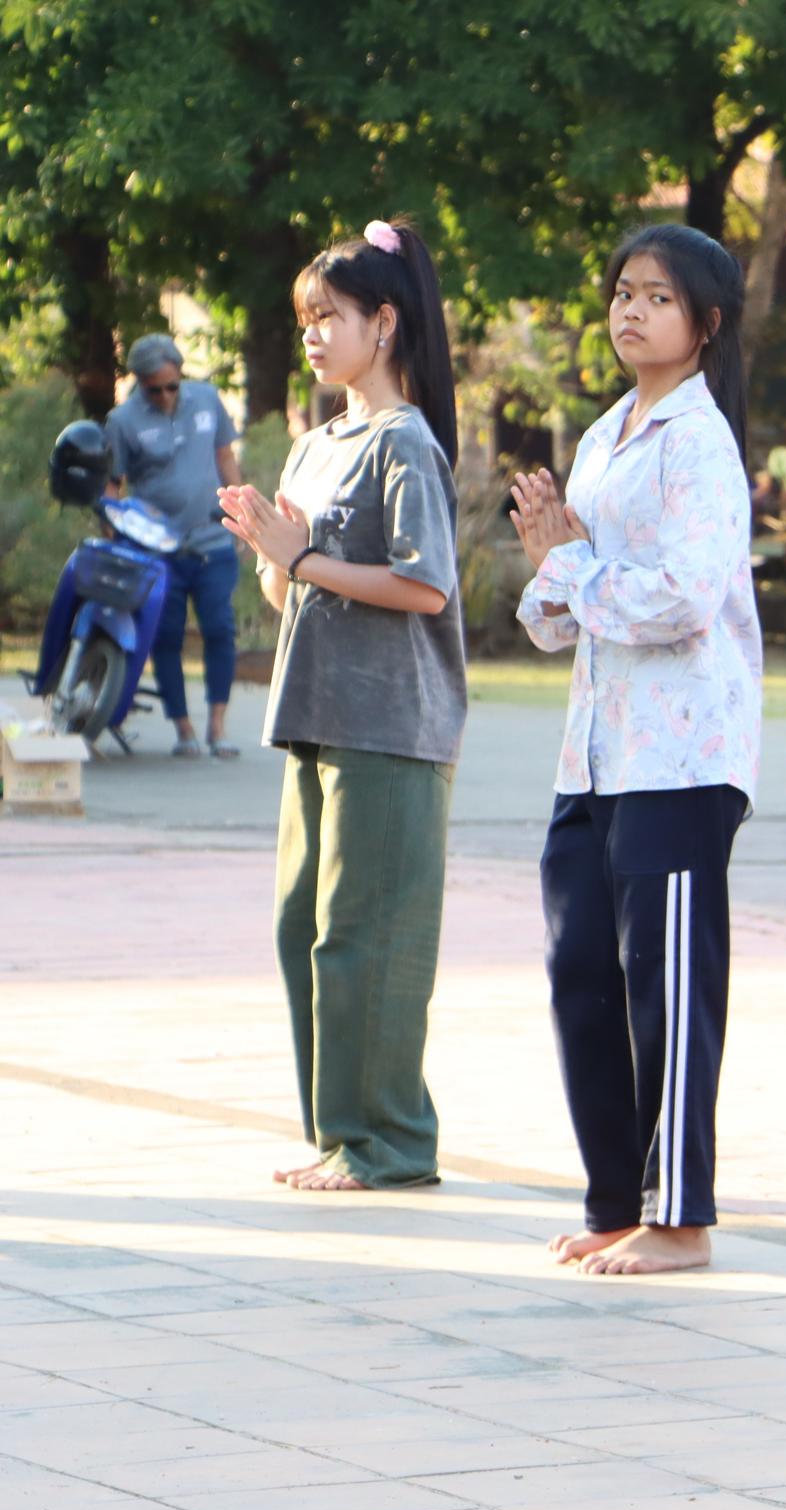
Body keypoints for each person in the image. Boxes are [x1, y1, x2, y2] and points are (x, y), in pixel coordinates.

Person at [511, 224, 763, 1277]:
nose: (630, 311)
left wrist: (571, 572)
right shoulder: (608, 434)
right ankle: (617, 1201)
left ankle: (681, 1218)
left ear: (704, 325)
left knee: (667, 984)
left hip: (682, 754)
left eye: (657, 298)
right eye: (621, 292)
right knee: (581, 972)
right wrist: (556, 574)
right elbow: (550, 615)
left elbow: (685, 599)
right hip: (597, 754)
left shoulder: (701, 442)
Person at [213, 218, 464, 1192]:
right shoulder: (317, 444)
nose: (314, 335)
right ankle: (338, 1132)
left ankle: (389, 1141)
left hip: (393, 725)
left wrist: (304, 556)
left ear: (386, 324)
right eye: (306, 319)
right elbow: (291, 593)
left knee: (370, 934)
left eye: (332, 318)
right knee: (303, 928)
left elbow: (426, 587)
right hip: (313, 712)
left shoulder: (407, 444)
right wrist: (276, 554)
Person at [107, 333, 242, 758]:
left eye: (171, 385)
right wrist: (118, 537)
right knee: (166, 637)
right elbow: (113, 485)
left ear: (180, 376)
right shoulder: (123, 419)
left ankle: (217, 727)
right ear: (140, 383)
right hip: (158, 549)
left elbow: (225, 459)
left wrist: (245, 515)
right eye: (154, 388)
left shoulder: (206, 399)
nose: (165, 395)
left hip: (213, 540)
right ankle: (183, 729)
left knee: (220, 628)